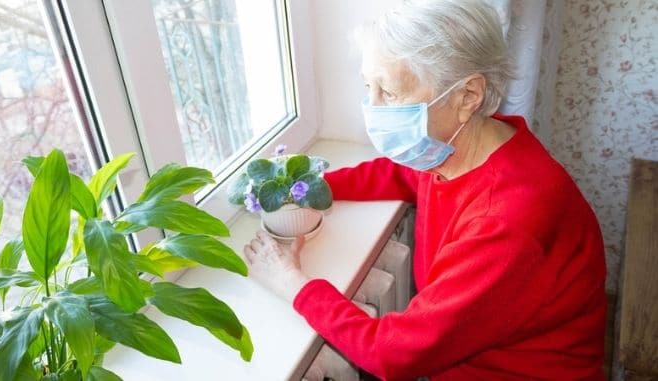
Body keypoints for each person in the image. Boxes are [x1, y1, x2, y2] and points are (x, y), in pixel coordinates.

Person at [244, 0, 607, 379]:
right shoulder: (462, 147)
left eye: (389, 92)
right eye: (370, 87)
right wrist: (309, 189)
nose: (373, 107)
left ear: (468, 96)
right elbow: (402, 175)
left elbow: (392, 354)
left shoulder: (506, 220)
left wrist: (291, 281)